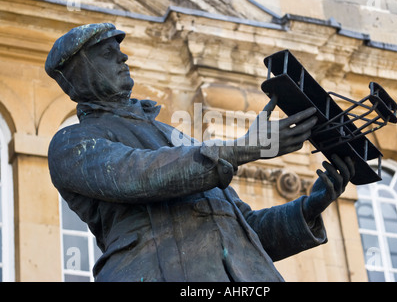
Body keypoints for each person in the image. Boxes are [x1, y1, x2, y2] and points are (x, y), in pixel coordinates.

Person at [46, 23, 355, 282]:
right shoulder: (72, 142)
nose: (123, 57)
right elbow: (138, 174)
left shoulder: (174, 136)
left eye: (120, 51)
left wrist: (307, 209)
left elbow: (245, 227)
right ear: (82, 70)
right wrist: (244, 148)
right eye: (108, 53)